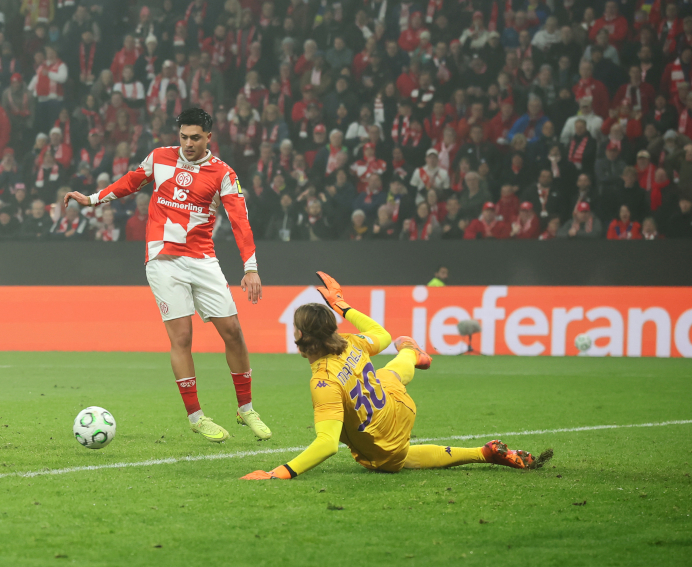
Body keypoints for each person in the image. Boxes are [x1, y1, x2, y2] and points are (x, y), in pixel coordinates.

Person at [62, 107, 269, 443]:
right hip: (163, 259)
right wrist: (93, 199)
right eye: (184, 136)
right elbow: (132, 181)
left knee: (232, 331)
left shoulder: (223, 174)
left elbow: (239, 221)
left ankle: (245, 408)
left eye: (195, 138)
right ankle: (196, 417)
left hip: (202, 258)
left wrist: (250, 268)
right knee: (182, 338)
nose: (188, 143)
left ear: (208, 138)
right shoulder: (159, 157)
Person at [241, 272, 549, 480]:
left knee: (397, 457)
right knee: (387, 375)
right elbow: (382, 335)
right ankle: (411, 354)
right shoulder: (351, 342)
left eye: (294, 327)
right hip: (398, 408)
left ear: (303, 336)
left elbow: (327, 444)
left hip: (383, 444)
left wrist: (278, 472)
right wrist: (342, 305)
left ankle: (479, 454)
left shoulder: (323, 381)